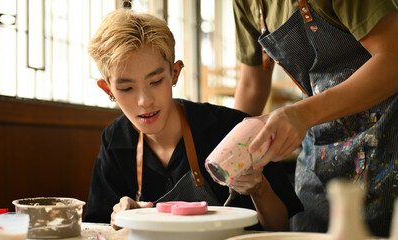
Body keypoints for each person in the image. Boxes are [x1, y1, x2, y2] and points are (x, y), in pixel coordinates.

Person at [83, 7, 303, 231]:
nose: (144, 101)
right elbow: (96, 229)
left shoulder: (228, 129)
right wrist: (121, 219)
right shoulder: (114, 140)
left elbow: (280, 228)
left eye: (156, 81)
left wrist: (260, 188)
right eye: (127, 88)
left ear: (175, 73)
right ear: (107, 88)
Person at [233, 0, 398, 237]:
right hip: (320, 151)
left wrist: (303, 113)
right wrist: (231, 155)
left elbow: (393, 58)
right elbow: (251, 85)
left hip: (389, 141)